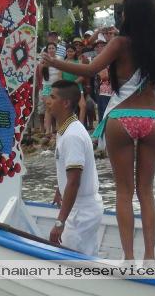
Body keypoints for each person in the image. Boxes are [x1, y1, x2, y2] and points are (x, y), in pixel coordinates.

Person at [42, 0, 155, 262]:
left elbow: (90, 70)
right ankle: (150, 258)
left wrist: (55, 62)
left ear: (128, 16)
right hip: (153, 119)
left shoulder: (120, 43)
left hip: (121, 118)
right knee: (146, 192)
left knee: (124, 192)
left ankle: (129, 258)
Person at [46, 80, 104, 255]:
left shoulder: (72, 135)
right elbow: (68, 171)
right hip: (80, 207)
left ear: (65, 103)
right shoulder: (66, 129)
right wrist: (59, 189)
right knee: (84, 257)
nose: (47, 101)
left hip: (81, 212)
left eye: (52, 97)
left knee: (69, 261)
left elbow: (74, 181)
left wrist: (60, 222)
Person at [37, 42, 61, 135]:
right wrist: (43, 63)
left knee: (57, 108)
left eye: (53, 48)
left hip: (56, 86)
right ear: (47, 50)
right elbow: (40, 73)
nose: (51, 50)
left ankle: (57, 129)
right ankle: (47, 131)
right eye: (49, 48)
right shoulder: (43, 60)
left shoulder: (59, 59)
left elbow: (60, 73)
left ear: (56, 49)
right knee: (48, 108)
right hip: (46, 86)